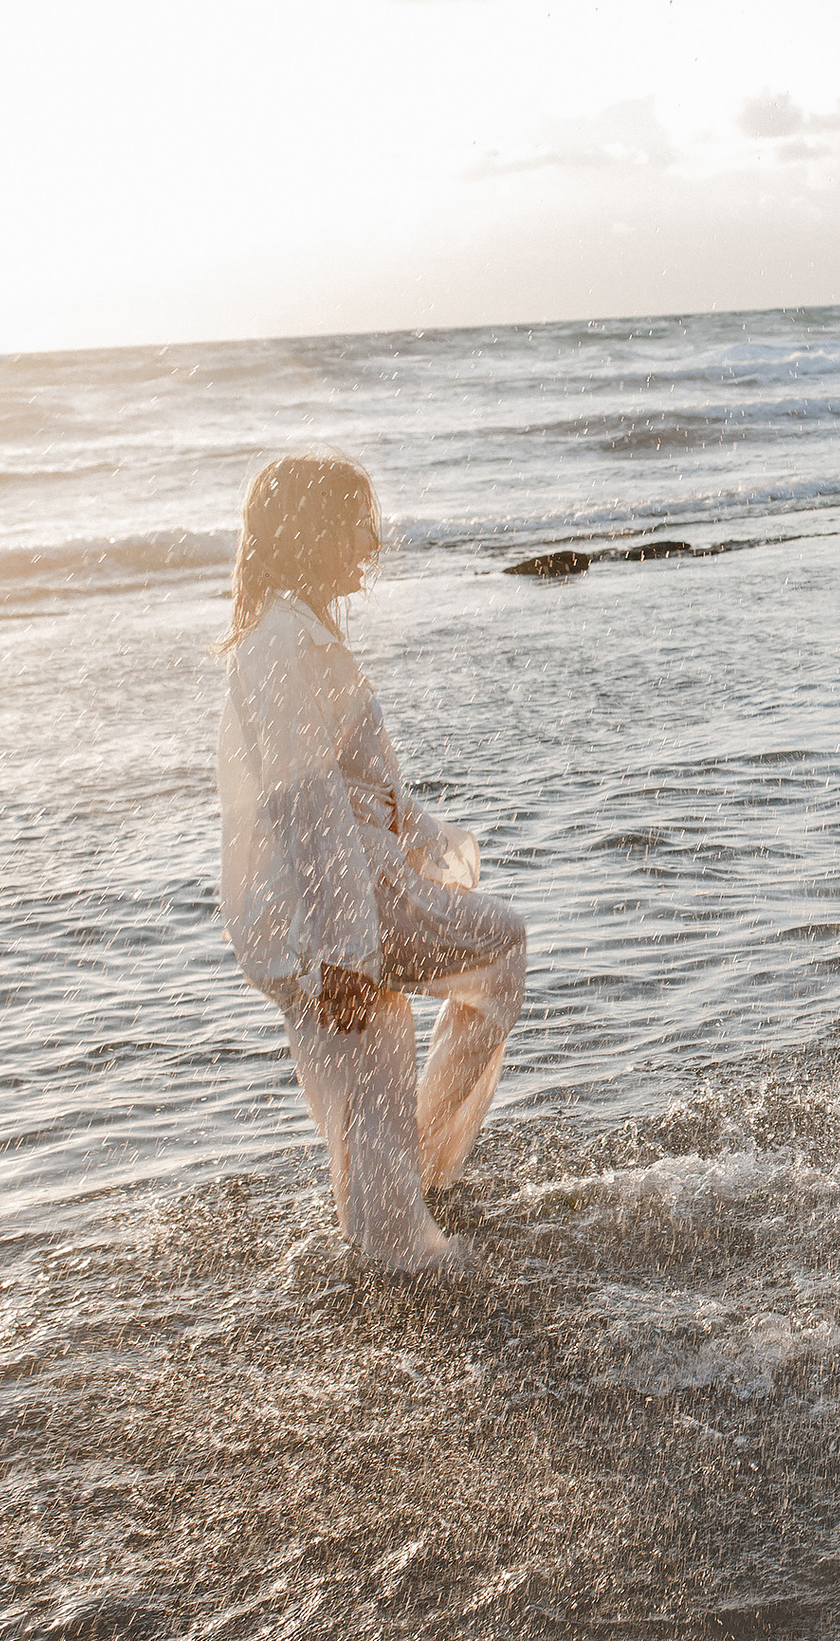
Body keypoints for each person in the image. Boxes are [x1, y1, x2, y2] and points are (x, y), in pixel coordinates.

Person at [215, 454, 527, 1268]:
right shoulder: (283, 641)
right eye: (356, 519)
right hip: (335, 901)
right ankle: (407, 1232)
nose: (372, 537)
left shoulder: (299, 630)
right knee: (479, 964)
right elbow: (305, 801)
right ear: (312, 532)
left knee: (378, 1067)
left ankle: (407, 1202)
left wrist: (434, 842)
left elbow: (363, 783)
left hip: (354, 887)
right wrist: (346, 951)